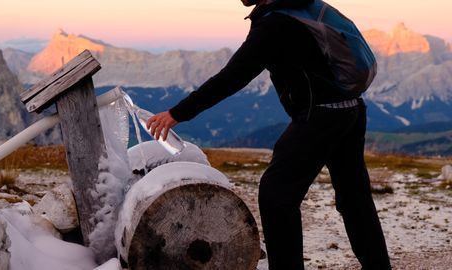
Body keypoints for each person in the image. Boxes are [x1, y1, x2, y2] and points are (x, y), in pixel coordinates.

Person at [147, 0, 392, 269]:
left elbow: (232, 77)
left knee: (276, 194)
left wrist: (177, 113)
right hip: (351, 110)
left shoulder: (274, 24)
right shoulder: (301, 9)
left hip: (320, 116)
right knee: (354, 198)